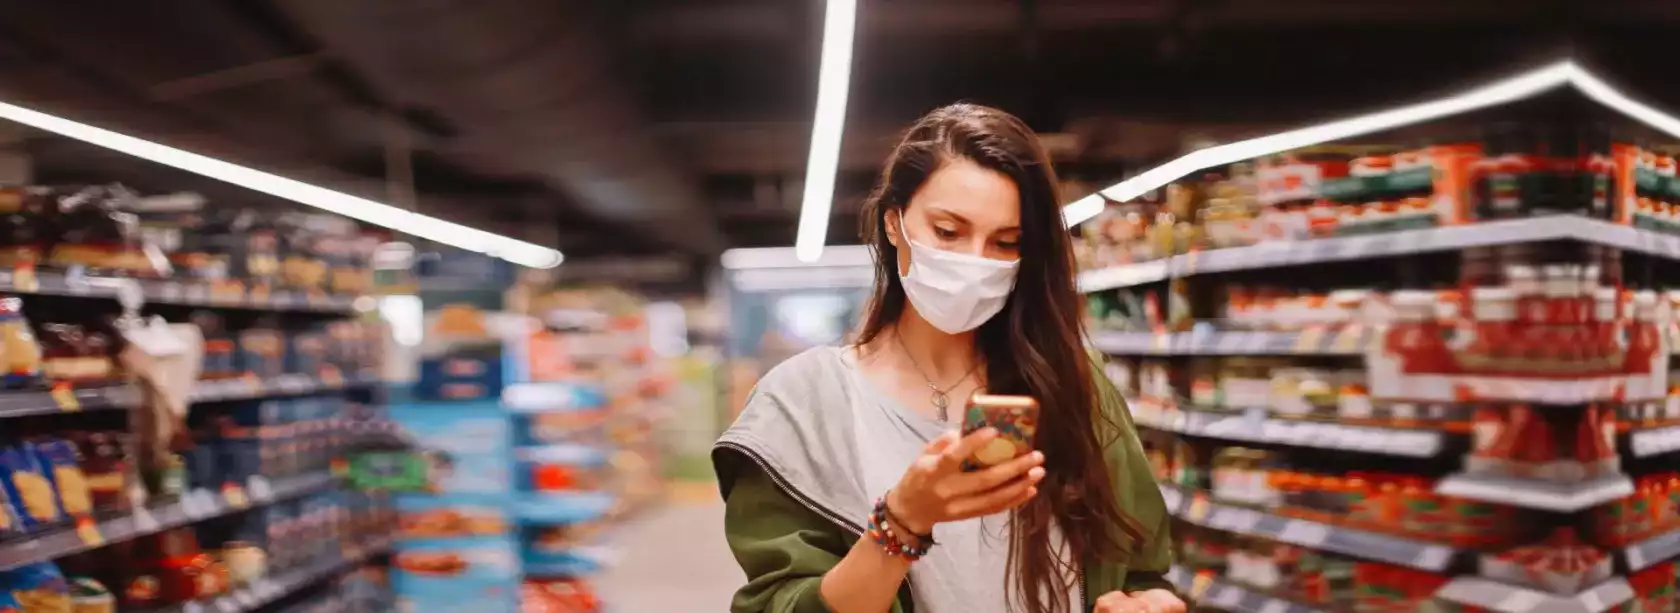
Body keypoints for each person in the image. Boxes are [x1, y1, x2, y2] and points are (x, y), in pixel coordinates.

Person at [714, 103, 1185, 613]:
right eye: (947, 231)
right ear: (894, 223)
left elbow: (1142, 567)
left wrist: (1151, 602)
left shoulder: (1072, 383)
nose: (974, 262)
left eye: (1006, 243)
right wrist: (901, 523)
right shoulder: (802, 404)